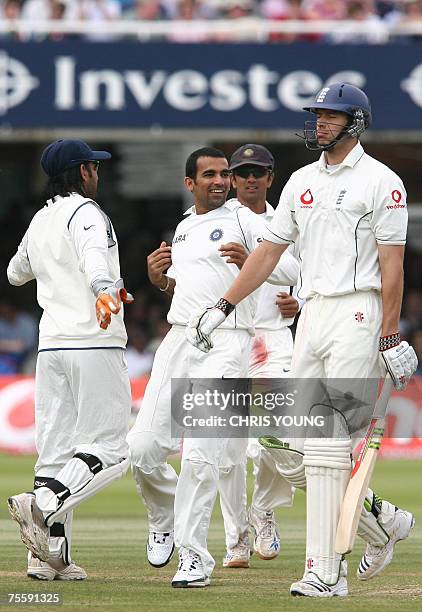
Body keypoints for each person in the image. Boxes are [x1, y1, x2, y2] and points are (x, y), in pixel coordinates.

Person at [186, 84, 418, 597]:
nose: (319, 124)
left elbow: (392, 263)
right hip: (311, 316)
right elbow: (268, 253)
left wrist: (390, 333)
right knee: (298, 445)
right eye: (316, 116)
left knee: (328, 445)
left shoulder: (383, 182)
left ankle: (326, 573)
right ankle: (370, 533)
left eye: (330, 117)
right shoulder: (301, 180)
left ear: (355, 122)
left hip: (360, 312)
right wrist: (222, 305)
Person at [127, 146, 298, 588]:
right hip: (180, 336)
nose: (221, 181)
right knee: (143, 447)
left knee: (201, 452)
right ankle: (164, 514)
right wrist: (159, 281)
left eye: (225, 174)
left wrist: (254, 264)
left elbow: (291, 263)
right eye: (210, 175)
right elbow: (187, 290)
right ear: (190, 183)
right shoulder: (184, 227)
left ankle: (194, 556)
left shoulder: (246, 218)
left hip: (228, 340)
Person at [7, 139, 133, 581]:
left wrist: (56, 271)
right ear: (83, 172)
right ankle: (39, 507)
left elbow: (14, 272)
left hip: (52, 344)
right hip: (93, 340)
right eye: (93, 167)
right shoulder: (87, 213)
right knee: (113, 449)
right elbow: (94, 256)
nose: (99, 173)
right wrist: (102, 289)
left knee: (56, 452)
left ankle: (46, 560)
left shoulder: (41, 219)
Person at [220, 144, 300, 568]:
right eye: (243, 172)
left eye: (259, 173)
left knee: (276, 435)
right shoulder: (216, 221)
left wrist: (299, 302)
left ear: (271, 178)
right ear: (232, 178)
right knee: (228, 446)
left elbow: (309, 272)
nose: (251, 179)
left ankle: (264, 510)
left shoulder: (286, 220)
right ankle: (236, 539)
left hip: (272, 338)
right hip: (228, 340)